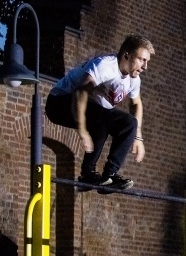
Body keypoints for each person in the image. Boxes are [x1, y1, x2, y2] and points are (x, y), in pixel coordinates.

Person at [45, 34, 154, 192]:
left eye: (147, 62)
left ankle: (109, 175)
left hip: (91, 109)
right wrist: (82, 129)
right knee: (101, 119)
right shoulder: (106, 66)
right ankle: (87, 173)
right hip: (59, 102)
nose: (144, 67)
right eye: (141, 60)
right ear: (126, 56)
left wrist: (137, 137)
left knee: (129, 123)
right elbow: (81, 92)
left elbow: (136, 103)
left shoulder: (134, 79)